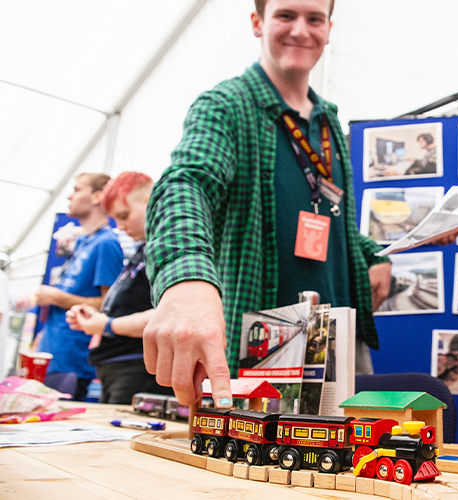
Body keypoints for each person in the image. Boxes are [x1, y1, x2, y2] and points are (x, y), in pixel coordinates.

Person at [144, 0, 391, 408]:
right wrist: (184, 278)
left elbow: (330, 216)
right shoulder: (225, 106)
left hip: (340, 337)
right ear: (257, 22)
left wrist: (373, 254)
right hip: (264, 345)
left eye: (314, 19)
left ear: (329, 29)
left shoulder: (329, 120)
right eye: (286, 16)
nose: (300, 30)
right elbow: (186, 183)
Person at [66, 172, 173, 404]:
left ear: (150, 201)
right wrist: (98, 317)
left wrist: (107, 324)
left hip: (138, 367)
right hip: (117, 365)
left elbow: (171, 313)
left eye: (124, 216)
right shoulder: (142, 251)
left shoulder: (168, 251)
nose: (121, 227)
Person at [36, 173, 123, 401]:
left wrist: (56, 296)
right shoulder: (83, 242)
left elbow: (109, 303)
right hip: (51, 355)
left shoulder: (107, 243)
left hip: (73, 360)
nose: (69, 196)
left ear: (96, 197)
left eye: (76, 190)